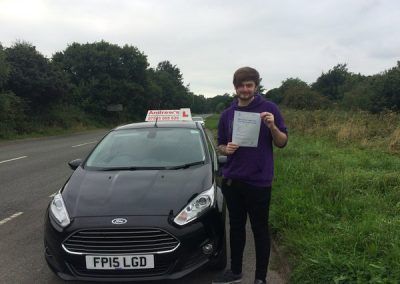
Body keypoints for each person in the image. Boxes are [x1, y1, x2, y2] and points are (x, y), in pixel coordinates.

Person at [212, 67, 288, 284]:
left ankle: (260, 278)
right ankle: (235, 271)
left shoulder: (269, 108)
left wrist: (272, 126)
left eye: (249, 85)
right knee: (236, 228)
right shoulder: (227, 114)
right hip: (233, 179)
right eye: (241, 85)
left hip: (259, 181)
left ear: (256, 86)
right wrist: (225, 149)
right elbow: (220, 144)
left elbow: (282, 142)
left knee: (259, 229)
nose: (245, 89)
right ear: (235, 87)